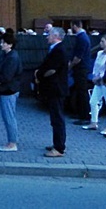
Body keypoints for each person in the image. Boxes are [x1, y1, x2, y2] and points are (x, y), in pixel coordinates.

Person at [35, 27, 68, 157]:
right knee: (55, 118)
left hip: (56, 89)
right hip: (53, 89)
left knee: (57, 118)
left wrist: (40, 75)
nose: (47, 37)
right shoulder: (55, 49)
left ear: (56, 36)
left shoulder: (59, 51)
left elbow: (52, 70)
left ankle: (59, 148)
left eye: (49, 34)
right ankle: (57, 143)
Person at [0, 31, 23, 152]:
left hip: (8, 90)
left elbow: (6, 76)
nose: (1, 44)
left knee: (9, 117)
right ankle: (12, 140)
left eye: (4, 42)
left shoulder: (12, 58)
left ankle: (12, 143)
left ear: (10, 44)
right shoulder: (6, 56)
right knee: (9, 116)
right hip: (4, 90)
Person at [82, 35, 106, 135]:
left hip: (105, 82)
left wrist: (101, 77)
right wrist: (94, 76)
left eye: (103, 42)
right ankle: (94, 122)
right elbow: (96, 66)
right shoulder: (100, 53)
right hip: (98, 82)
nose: (101, 43)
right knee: (93, 101)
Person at [70, 20, 92, 125]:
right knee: (80, 91)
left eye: (71, 26)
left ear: (75, 26)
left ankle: (85, 116)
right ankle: (81, 113)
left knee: (82, 92)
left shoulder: (82, 38)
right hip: (82, 67)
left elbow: (78, 57)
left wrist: (70, 66)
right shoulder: (83, 37)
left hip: (81, 68)